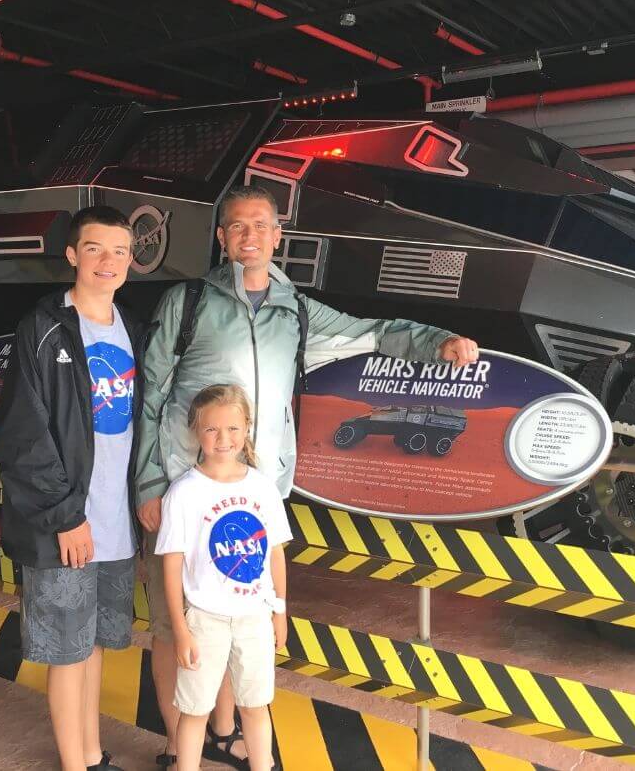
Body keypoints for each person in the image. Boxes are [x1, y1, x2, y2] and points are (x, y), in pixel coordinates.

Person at [135, 184, 479, 768]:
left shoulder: (295, 309)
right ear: (221, 237)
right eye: (237, 227)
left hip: (253, 493)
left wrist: (438, 342)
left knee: (235, 611)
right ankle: (177, 740)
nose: (249, 237)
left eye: (259, 226)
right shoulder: (187, 302)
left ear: (277, 236)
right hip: (184, 488)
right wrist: (149, 484)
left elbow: (370, 332)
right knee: (179, 623)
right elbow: (152, 391)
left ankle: (222, 729)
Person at [0, 205, 145, 771]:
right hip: (66, 525)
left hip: (115, 522)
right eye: (94, 248)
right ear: (71, 255)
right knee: (66, 650)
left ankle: (92, 752)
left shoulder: (134, 329)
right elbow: (22, 437)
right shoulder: (43, 329)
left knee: (96, 645)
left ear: (132, 259)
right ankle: (74, 764)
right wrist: (65, 516)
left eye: (119, 251)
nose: (107, 261)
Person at [155, 384, 289, 771]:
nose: (223, 439)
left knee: (256, 706)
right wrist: (180, 628)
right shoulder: (183, 493)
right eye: (212, 430)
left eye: (232, 428)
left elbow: (276, 553)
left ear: (247, 427)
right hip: (203, 620)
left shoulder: (262, 488)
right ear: (196, 431)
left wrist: (279, 611)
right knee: (195, 710)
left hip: (254, 618)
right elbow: (172, 564)